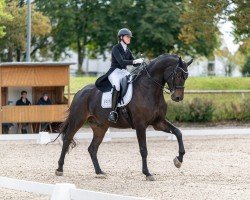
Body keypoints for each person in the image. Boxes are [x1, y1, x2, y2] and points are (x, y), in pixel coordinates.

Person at [95, 28, 143, 123]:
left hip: (124, 72)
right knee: (117, 86)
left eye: (130, 37)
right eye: (127, 37)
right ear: (121, 37)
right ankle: (113, 112)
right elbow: (121, 62)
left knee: (134, 82)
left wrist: (141, 62)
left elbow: (133, 62)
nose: (129, 39)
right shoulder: (115, 48)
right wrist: (134, 61)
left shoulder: (127, 50)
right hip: (115, 72)